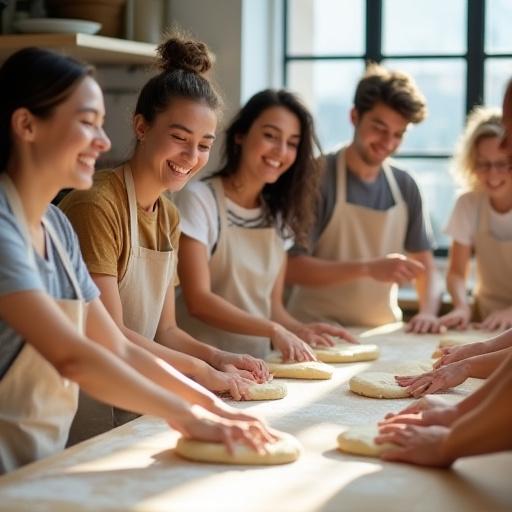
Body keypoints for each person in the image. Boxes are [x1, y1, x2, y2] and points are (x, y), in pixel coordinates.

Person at [0, 46, 273, 474]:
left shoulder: (54, 225)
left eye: (102, 125)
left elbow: (116, 342)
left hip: (40, 462)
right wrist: (189, 413)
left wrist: (208, 403)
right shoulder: (5, 228)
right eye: (87, 123)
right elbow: (76, 355)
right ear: (26, 125)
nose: (104, 142)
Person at [60, 36, 271, 426]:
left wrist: (218, 357)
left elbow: (166, 330)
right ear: (141, 126)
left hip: (136, 393)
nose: (191, 158)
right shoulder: (97, 204)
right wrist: (204, 374)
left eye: (204, 145)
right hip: (85, 403)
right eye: (179, 138)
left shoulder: (167, 215)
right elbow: (112, 335)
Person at [375, 78, 512, 467]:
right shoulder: (471, 204)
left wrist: (452, 442)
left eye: (511, 134)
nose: (504, 148)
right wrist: (472, 363)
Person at [175, 89, 356, 361]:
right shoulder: (200, 199)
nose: (280, 151)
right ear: (241, 135)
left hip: (258, 367)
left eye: (292, 143)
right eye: (270, 136)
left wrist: (299, 329)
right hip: (200, 364)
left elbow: (272, 308)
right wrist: (273, 330)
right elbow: (198, 301)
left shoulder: (278, 215)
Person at [285, 63, 442, 333]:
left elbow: (425, 267)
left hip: (381, 333)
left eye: (398, 134)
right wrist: (369, 269)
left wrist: (428, 312)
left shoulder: (405, 186)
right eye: (379, 128)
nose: (388, 142)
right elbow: (290, 268)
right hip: (314, 332)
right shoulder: (315, 177)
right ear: (354, 116)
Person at [439, 108, 512, 332]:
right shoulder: (468, 204)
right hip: (485, 321)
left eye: (502, 163)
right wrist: (462, 306)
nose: (492, 174)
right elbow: (457, 273)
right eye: (483, 164)